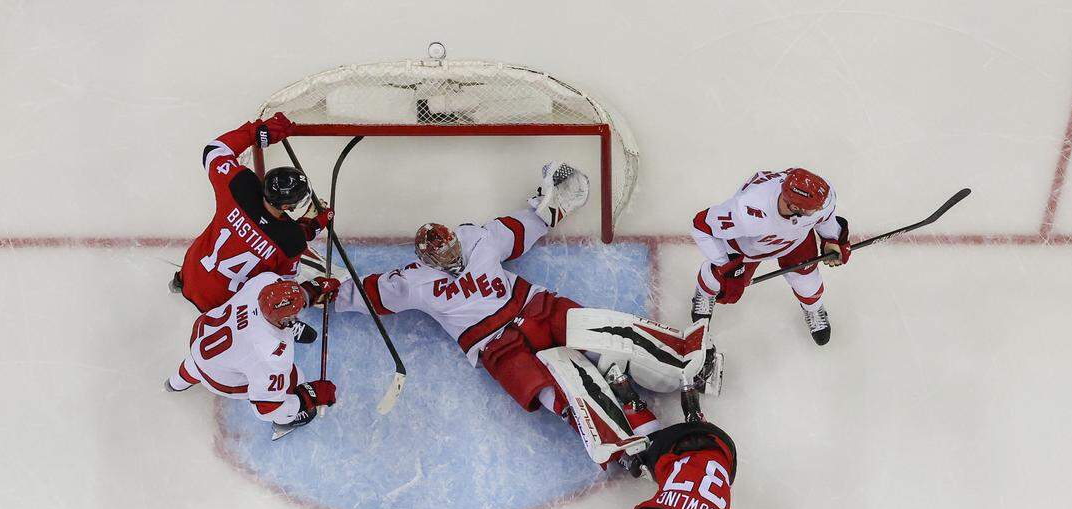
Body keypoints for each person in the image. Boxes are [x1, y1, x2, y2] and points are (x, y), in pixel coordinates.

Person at [334, 162, 721, 468]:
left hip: (535, 308)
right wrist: (327, 292)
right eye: (443, 257)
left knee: (606, 329)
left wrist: (550, 207)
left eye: (453, 249)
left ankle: (684, 360)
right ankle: (620, 439)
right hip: (498, 346)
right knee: (552, 389)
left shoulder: (477, 239)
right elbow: (368, 293)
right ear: (425, 259)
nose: (453, 258)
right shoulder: (412, 282)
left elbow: (521, 228)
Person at [170, 112, 333, 342]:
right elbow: (281, 287)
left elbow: (213, 151)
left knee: (205, 263)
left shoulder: (240, 184)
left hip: (193, 273)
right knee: (265, 302)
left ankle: (178, 283)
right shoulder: (292, 241)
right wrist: (309, 229)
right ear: (287, 205)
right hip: (221, 310)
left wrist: (255, 133)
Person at [688, 168, 851, 345]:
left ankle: (813, 309)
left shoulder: (822, 196)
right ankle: (704, 294)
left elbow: (825, 217)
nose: (818, 210)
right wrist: (727, 266)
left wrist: (831, 239)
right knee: (721, 283)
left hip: (795, 240)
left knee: (808, 285)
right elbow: (701, 226)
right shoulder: (748, 212)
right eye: (811, 210)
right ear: (794, 207)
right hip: (747, 249)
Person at [165, 271, 339, 436]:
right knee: (294, 377)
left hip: (202, 341)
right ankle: (285, 422)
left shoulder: (263, 282)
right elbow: (266, 409)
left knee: (196, 365)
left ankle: (174, 384)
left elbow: (279, 291)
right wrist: (308, 397)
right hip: (224, 379)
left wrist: (307, 291)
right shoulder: (273, 355)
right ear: (284, 319)